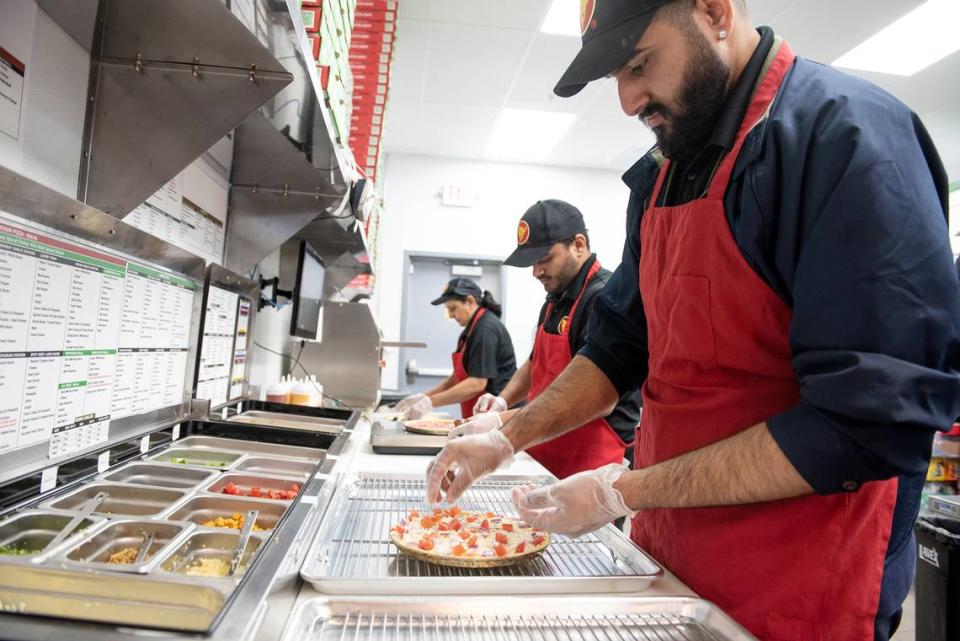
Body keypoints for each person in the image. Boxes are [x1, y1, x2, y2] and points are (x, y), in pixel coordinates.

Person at [423, 1, 960, 639]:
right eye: (616, 77)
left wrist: (624, 491)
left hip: (797, 583)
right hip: (669, 560)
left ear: (713, 10)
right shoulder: (660, 176)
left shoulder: (844, 137)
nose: (627, 100)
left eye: (640, 64)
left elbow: (866, 423)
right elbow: (619, 345)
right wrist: (508, 436)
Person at [459, 199, 641, 480]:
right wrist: (503, 402)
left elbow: (595, 398)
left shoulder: (604, 298)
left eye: (544, 259)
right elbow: (535, 363)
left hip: (590, 465)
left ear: (578, 245)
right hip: (547, 453)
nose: (536, 272)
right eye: (532, 263)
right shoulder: (555, 299)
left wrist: (501, 423)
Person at [395, 277, 516, 420]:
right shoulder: (471, 330)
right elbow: (456, 378)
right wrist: (424, 397)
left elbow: (477, 384)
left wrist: (430, 403)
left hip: (497, 416)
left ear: (470, 301)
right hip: (480, 415)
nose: (451, 315)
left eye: (453, 308)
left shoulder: (485, 329)